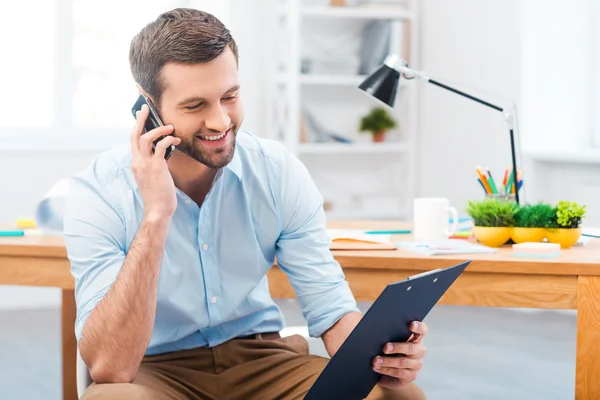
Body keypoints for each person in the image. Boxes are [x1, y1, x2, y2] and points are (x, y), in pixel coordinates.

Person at [64, 8, 428, 400]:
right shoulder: (99, 192)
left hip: (264, 358)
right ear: (147, 109)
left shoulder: (276, 171)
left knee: (396, 396)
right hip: (155, 368)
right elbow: (110, 367)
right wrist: (155, 215)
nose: (221, 121)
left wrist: (383, 355)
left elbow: (330, 307)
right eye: (195, 105)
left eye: (230, 96)